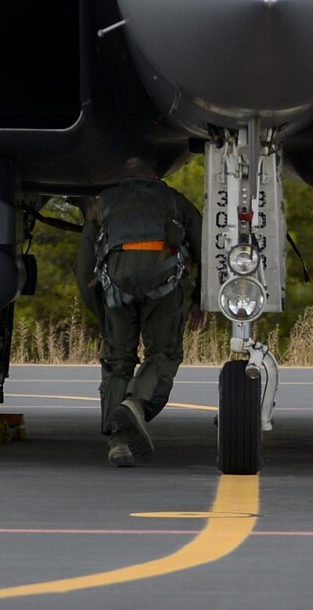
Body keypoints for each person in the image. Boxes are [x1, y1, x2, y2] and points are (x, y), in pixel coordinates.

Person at [76, 163, 203, 468]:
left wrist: (100, 312)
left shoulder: (102, 203)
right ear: (156, 176)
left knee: (118, 361)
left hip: (116, 288)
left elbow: (83, 269)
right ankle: (136, 402)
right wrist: (200, 301)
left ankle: (118, 444)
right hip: (165, 285)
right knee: (163, 355)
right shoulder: (175, 201)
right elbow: (205, 251)